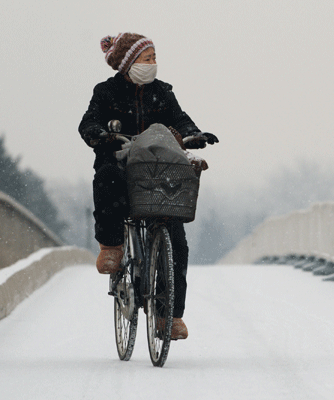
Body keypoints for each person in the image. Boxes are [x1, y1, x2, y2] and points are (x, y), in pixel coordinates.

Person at [79, 32, 218, 340]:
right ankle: (111, 247)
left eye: (154, 58)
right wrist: (99, 135)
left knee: (177, 241)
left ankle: (170, 316)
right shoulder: (106, 92)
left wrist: (194, 135)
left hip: (155, 172)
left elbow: (181, 121)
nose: (153, 64)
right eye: (147, 58)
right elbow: (88, 122)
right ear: (129, 62)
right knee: (107, 179)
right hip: (120, 163)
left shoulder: (162, 93)